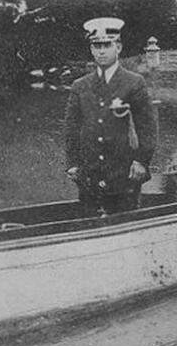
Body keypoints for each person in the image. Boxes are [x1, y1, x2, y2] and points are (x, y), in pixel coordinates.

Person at [64, 16, 157, 215]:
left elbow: (147, 127)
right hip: (89, 172)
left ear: (119, 47)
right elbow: (71, 129)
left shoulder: (134, 83)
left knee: (126, 223)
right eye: (97, 46)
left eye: (107, 45)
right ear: (91, 50)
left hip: (124, 172)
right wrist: (72, 163)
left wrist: (142, 161)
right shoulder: (80, 86)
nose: (102, 51)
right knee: (89, 222)